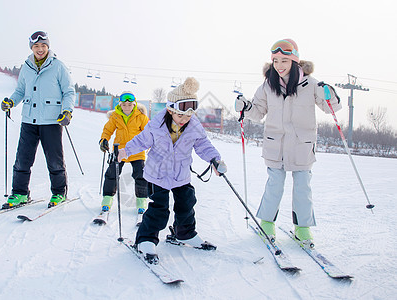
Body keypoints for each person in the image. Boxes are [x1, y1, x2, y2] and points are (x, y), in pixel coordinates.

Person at [235, 39, 342, 248]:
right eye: (275, 60)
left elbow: (330, 108)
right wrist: (245, 107)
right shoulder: (268, 85)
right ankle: (266, 223)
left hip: (302, 145)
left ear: (295, 61)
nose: (279, 65)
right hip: (276, 144)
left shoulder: (310, 84)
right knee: (275, 184)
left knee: (302, 186)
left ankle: (302, 228)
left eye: (284, 60)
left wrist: (329, 93)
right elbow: (257, 112)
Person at [118, 77, 227, 264]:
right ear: (170, 110)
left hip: (180, 175)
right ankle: (145, 240)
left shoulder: (193, 127)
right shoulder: (156, 125)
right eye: (180, 115)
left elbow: (203, 145)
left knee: (186, 203)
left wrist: (214, 160)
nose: (184, 119)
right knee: (159, 208)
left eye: (188, 116)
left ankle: (184, 233)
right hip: (157, 174)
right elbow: (141, 141)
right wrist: (125, 151)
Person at [0, 31, 75, 209]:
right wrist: (11, 101)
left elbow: (69, 92)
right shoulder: (26, 67)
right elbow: (20, 91)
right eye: (36, 46)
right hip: (29, 121)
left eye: (43, 46)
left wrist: (67, 111)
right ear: (32, 48)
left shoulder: (58, 66)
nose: (40, 49)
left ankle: (59, 192)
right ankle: (19, 193)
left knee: (54, 160)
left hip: (51, 121)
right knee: (22, 159)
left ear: (48, 46)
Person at [99, 92, 149, 215]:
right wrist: (104, 140)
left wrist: (151, 144)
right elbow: (108, 130)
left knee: (140, 174)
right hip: (119, 150)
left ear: (134, 104)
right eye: (124, 104)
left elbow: (148, 132)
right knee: (112, 173)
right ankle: (107, 199)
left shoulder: (141, 117)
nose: (127, 107)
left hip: (137, 151)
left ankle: (141, 200)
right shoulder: (115, 116)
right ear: (120, 105)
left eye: (129, 104)